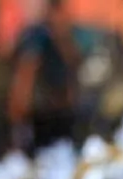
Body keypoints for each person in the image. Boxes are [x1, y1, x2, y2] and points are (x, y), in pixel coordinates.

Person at [8, 0, 91, 152]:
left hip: (66, 113)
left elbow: (75, 65)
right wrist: (19, 114)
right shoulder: (36, 37)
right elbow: (25, 76)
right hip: (41, 116)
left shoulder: (71, 35)